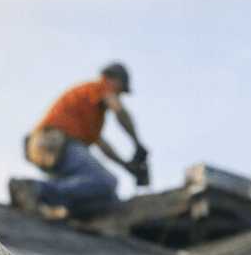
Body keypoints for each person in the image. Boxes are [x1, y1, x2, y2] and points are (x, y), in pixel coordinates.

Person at [10, 63, 149, 219]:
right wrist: (138, 143)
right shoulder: (101, 87)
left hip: (47, 147)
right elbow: (119, 111)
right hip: (53, 142)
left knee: (109, 198)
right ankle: (34, 189)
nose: (119, 96)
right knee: (107, 182)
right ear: (114, 80)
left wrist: (127, 166)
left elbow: (102, 145)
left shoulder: (92, 111)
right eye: (120, 91)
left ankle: (65, 209)